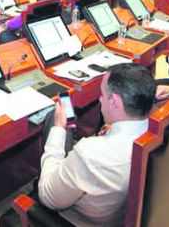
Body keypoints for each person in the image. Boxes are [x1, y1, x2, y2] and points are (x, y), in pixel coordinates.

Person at [37, 64, 156, 225]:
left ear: (114, 101)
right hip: (122, 213)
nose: (100, 99)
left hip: (79, 220)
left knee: (54, 121)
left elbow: (47, 196)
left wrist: (58, 128)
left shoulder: (90, 153)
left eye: (103, 94)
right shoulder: (156, 133)